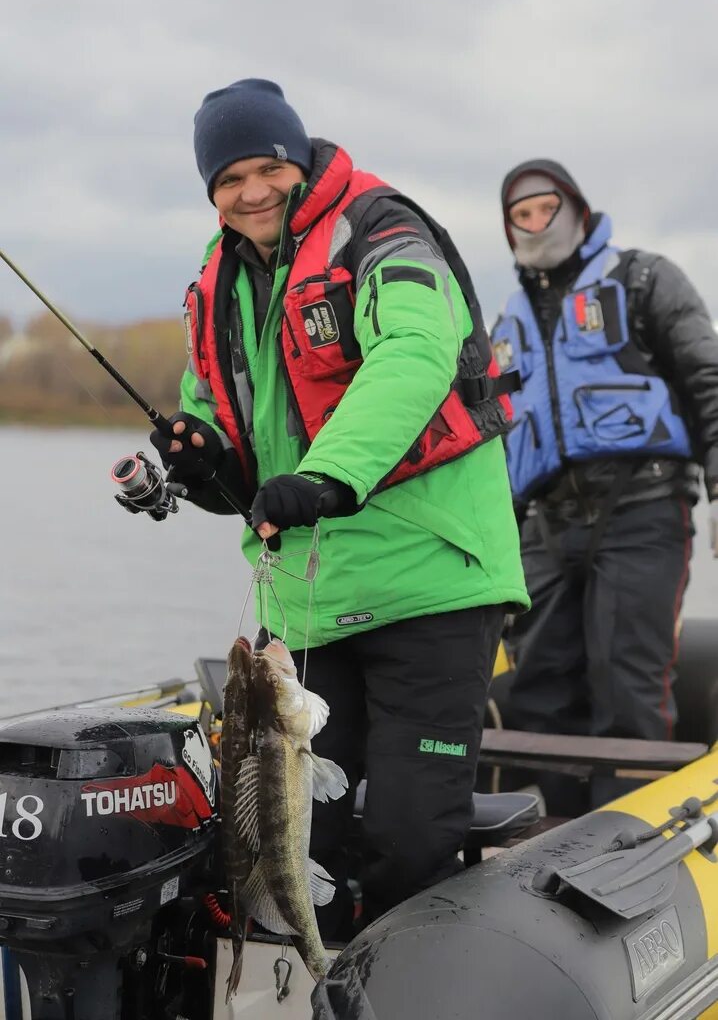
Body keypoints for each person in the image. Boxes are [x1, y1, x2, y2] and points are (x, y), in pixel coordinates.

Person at [150, 78, 529, 938]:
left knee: (404, 833)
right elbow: (214, 412)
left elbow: (416, 351)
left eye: (265, 168)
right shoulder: (215, 284)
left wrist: (328, 476)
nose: (250, 192)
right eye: (227, 179)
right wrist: (195, 458)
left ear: (297, 158)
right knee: (311, 836)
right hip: (308, 596)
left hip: (433, 575)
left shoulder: (382, 230)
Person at [491, 158, 718, 814]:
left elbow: (706, 375)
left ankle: (632, 844)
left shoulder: (646, 280)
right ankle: (552, 840)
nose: (536, 223)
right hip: (544, 524)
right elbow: (493, 439)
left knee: (627, 688)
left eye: (546, 208)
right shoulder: (505, 325)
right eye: (521, 214)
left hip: (643, 506)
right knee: (535, 689)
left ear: (578, 210)